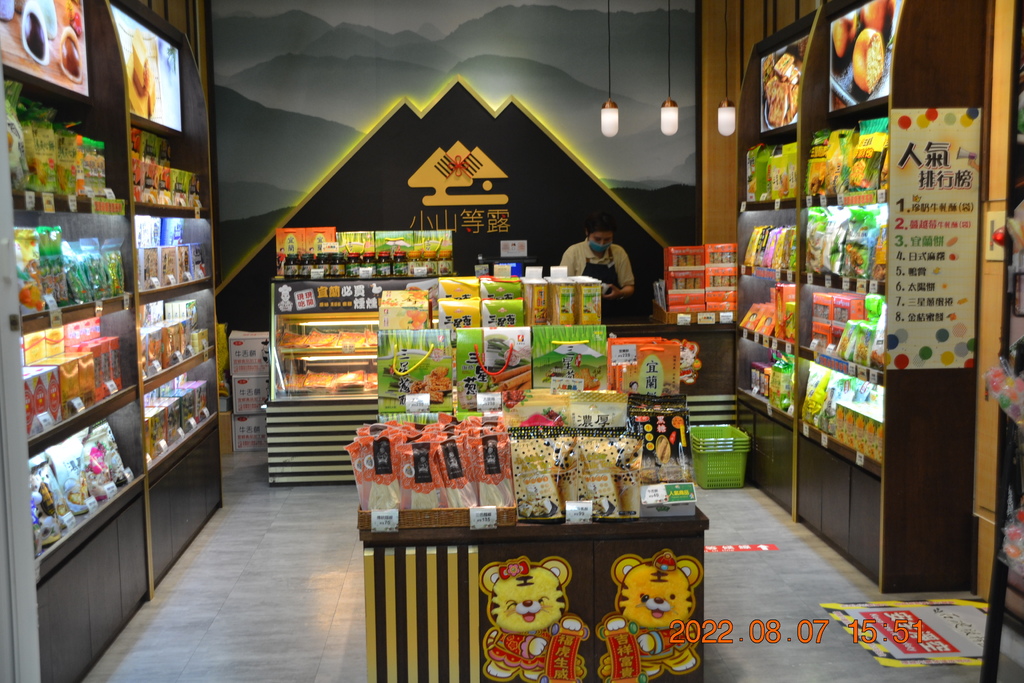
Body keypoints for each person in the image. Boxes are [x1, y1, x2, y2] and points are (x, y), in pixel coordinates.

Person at [560, 211, 635, 301]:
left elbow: (629, 287)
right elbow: (561, 287)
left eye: (607, 239)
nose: (602, 243)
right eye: (597, 239)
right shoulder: (573, 252)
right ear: (587, 232)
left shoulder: (618, 252)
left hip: (612, 306)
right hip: (580, 307)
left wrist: (620, 293)